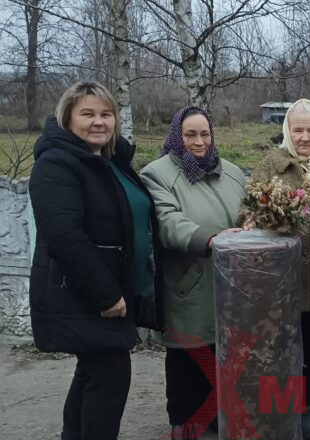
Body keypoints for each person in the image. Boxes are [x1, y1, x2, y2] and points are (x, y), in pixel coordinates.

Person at [29, 81, 158, 440]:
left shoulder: (109, 160)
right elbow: (64, 236)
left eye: (106, 114)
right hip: (88, 294)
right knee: (111, 375)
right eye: (87, 114)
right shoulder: (56, 164)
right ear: (67, 118)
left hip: (114, 289)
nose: (98, 122)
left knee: (92, 372)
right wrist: (106, 295)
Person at [140, 106, 246, 440]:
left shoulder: (231, 172)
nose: (199, 142)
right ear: (176, 136)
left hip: (231, 282)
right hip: (189, 281)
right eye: (190, 135)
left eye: (204, 134)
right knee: (189, 356)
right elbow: (168, 220)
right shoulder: (157, 174)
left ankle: (216, 418)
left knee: (224, 356)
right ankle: (185, 423)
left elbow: (249, 210)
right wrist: (210, 239)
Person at [249, 99, 310, 439]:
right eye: (298, 129)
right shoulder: (271, 164)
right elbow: (249, 211)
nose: (304, 137)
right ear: (287, 129)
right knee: (279, 344)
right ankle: (279, 406)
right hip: (282, 280)